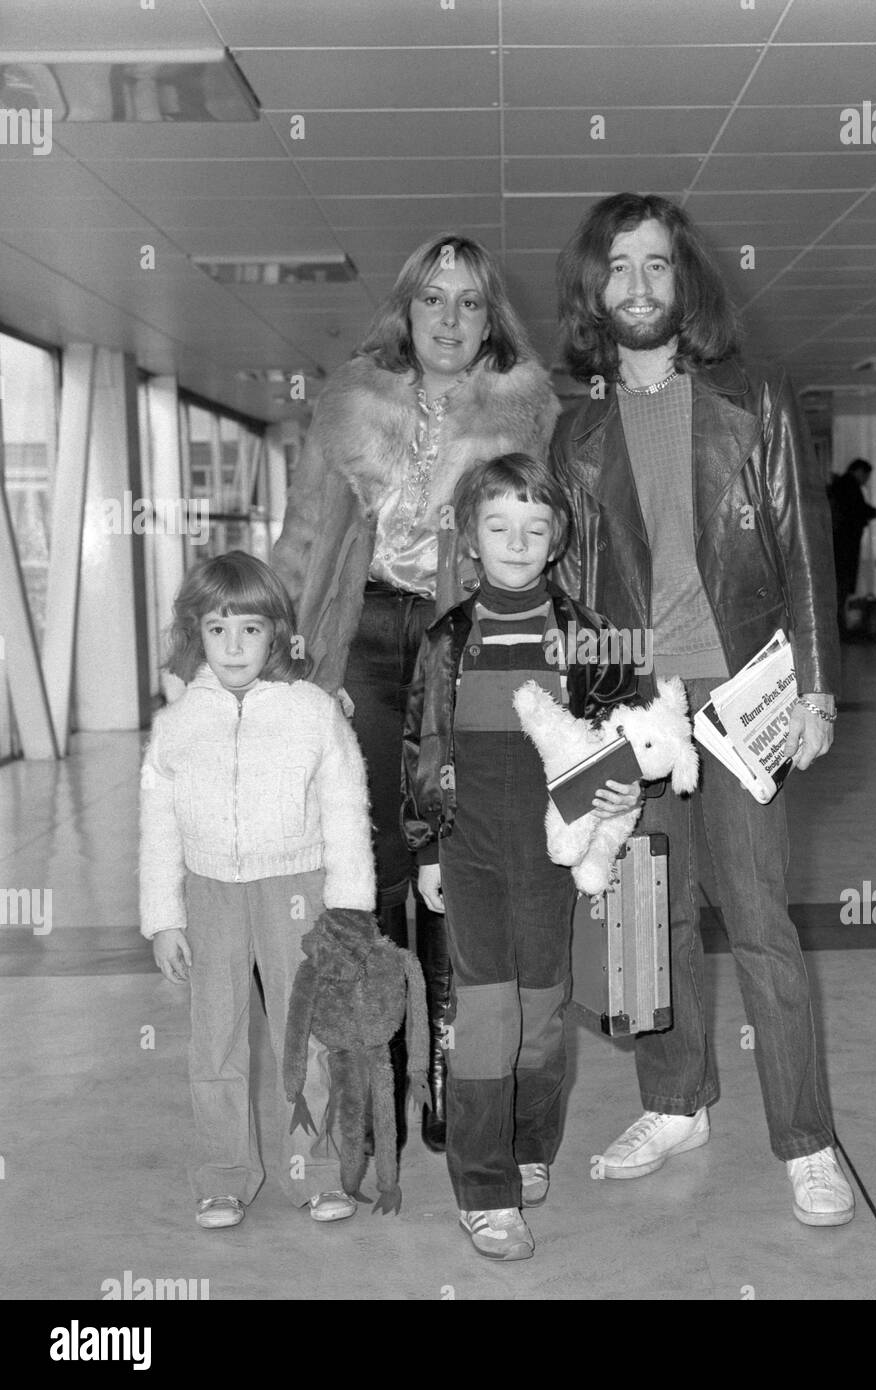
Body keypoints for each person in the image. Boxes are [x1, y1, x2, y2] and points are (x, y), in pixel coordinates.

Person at [551, 192, 855, 1227]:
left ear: (685, 282)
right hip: (641, 711)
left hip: (743, 699)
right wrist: (591, 714)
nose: (638, 286)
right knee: (647, 920)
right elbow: (579, 596)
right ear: (595, 290)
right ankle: (673, 1102)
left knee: (760, 920)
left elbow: (803, 544)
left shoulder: (753, 396)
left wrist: (815, 679)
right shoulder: (578, 431)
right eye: (619, 268)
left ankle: (807, 1137)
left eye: (657, 265)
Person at [271, 235, 560, 1155]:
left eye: (469, 303)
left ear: (490, 320)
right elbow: (303, 536)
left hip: (459, 648)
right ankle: (375, 1092)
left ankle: (448, 1074)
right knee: (372, 866)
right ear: (405, 308)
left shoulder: (522, 415)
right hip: (358, 637)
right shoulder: (350, 405)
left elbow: (547, 545)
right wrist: (266, 653)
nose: (447, 319)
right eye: (432, 299)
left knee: (451, 861)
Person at [403, 453, 642, 1260]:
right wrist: (427, 846)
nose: (516, 540)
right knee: (485, 1013)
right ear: (471, 537)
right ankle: (484, 1189)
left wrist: (618, 795)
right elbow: (422, 742)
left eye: (533, 528)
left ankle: (530, 1142)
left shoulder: (587, 635)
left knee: (544, 1010)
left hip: (550, 850)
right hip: (467, 846)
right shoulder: (445, 639)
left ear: (556, 539)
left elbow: (620, 735)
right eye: (498, 526)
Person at [139, 551, 375, 1229]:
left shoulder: (312, 712)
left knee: (306, 1038)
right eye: (218, 629)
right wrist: (164, 919)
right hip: (210, 893)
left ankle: (319, 1173)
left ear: (276, 632)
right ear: (197, 633)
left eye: (249, 628)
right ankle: (222, 1176)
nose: (234, 645)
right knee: (213, 1041)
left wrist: (350, 909)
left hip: (296, 889)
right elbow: (158, 827)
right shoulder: (177, 725)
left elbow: (344, 810)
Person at [828, 458, 876, 632]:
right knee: (842, 583)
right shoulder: (849, 486)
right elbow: (857, 510)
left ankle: (839, 623)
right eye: (866, 476)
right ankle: (840, 625)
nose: (866, 481)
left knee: (839, 584)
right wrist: (875, 512)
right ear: (860, 472)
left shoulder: (840, 485)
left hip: (838, 543)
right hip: (845, 544)